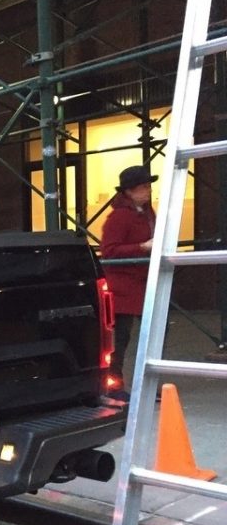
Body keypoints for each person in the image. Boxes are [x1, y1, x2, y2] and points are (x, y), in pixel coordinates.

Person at [100, 164, 157, 397]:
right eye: (143, 187)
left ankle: (144, 383)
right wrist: (142, 247)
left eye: (148, 186)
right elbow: (109, 251)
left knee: (149, 335)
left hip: (140, 283)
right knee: (120, 338)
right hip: (124, 286)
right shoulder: (120, 217)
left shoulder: (145, 213)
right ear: (130, 191)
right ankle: (115, 383)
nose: (148, 191)